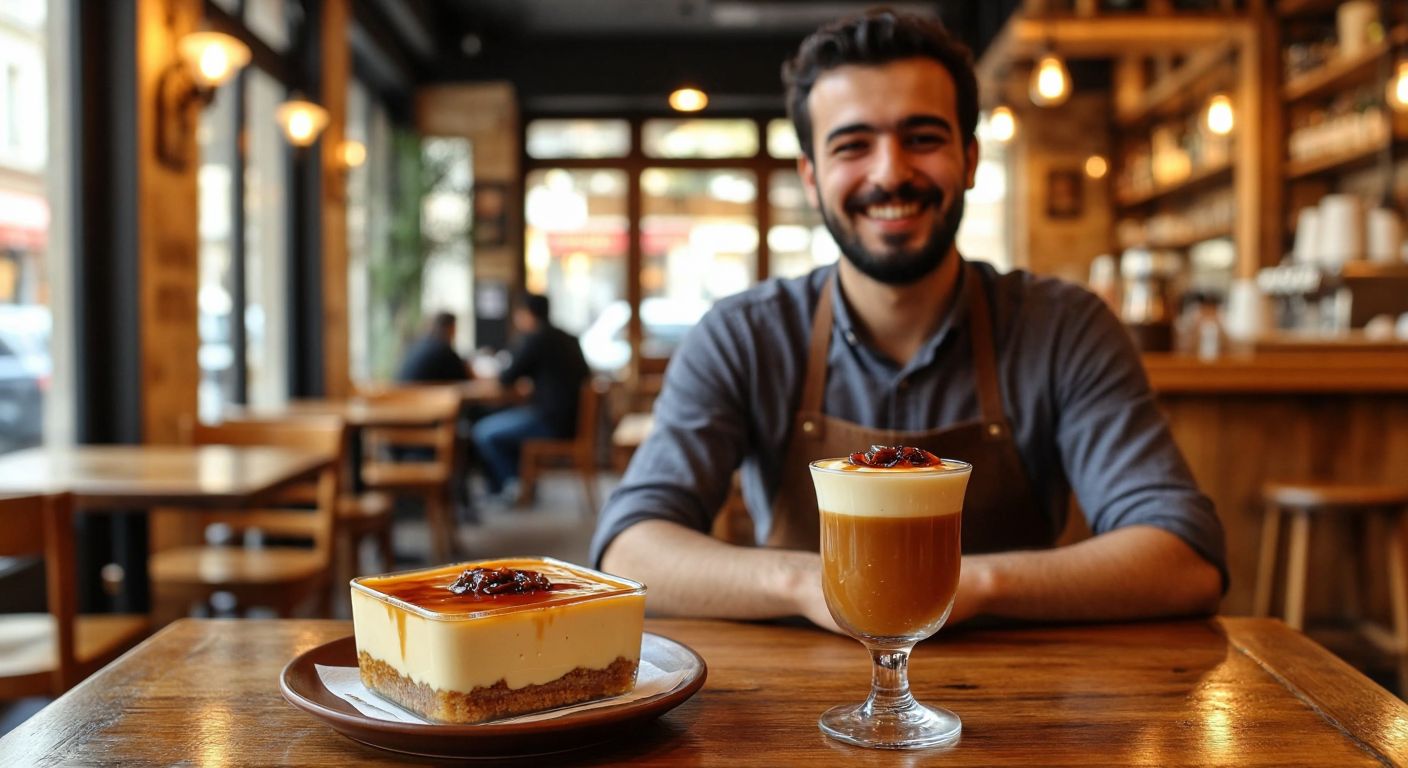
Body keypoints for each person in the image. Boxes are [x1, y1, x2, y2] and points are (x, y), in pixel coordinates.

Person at [591, 9, 1225, 633]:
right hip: (801, 704)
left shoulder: (1064, 327)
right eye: (853, 145)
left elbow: (1184, 557)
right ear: (811, 179)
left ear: (971, 159)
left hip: (1023, 702)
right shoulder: (745, 334)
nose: (891, 173)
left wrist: (959, 587)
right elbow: (629, 548)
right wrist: (809, 583)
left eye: (922, 138)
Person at [471, 292, 590, 498]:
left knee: (484, 432)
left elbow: (506, 378)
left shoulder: (536, 338)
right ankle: (521, 483)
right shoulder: (569, 338)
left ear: (527, 314)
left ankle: (514, 485)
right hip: (570, 421)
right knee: (505, 423)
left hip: (550, 422)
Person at [396, 311, 470, 383]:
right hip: (423, 395)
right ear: (451, 328)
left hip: (399, 394)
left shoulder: (415, 346)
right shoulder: (444, 351)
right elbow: (466, 381)